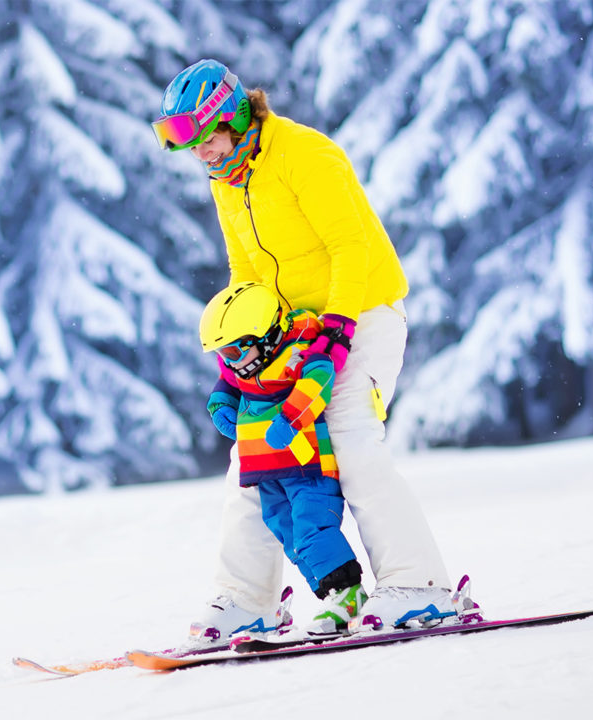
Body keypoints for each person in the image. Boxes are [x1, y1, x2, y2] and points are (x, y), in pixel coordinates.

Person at [152, 58, 458, 638]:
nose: (200, 153)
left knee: (350, 438)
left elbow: (350, 246)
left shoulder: (305, 154)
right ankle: (247, 600)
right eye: (183, 143)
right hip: (290, 336)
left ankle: (420, 586)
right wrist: (244, 351)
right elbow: (246, 269)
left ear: (235, 116)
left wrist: (339, 326)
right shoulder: (227, 180)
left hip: (362, 315)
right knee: (254, 455)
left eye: (203, 135)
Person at [198, 281, 370, 639]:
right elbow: (226, 385)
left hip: (306, 467)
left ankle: (349, 593)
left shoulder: (298, 352)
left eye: (230, 352)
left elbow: (319, 380)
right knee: (289, 535)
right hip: (267, 472)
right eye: (220, 354)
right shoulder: (244, 368)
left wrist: (291, 418)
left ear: (259, 338)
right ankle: (332, 596)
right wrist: (220, 405)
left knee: (312, 530)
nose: (226, 362)